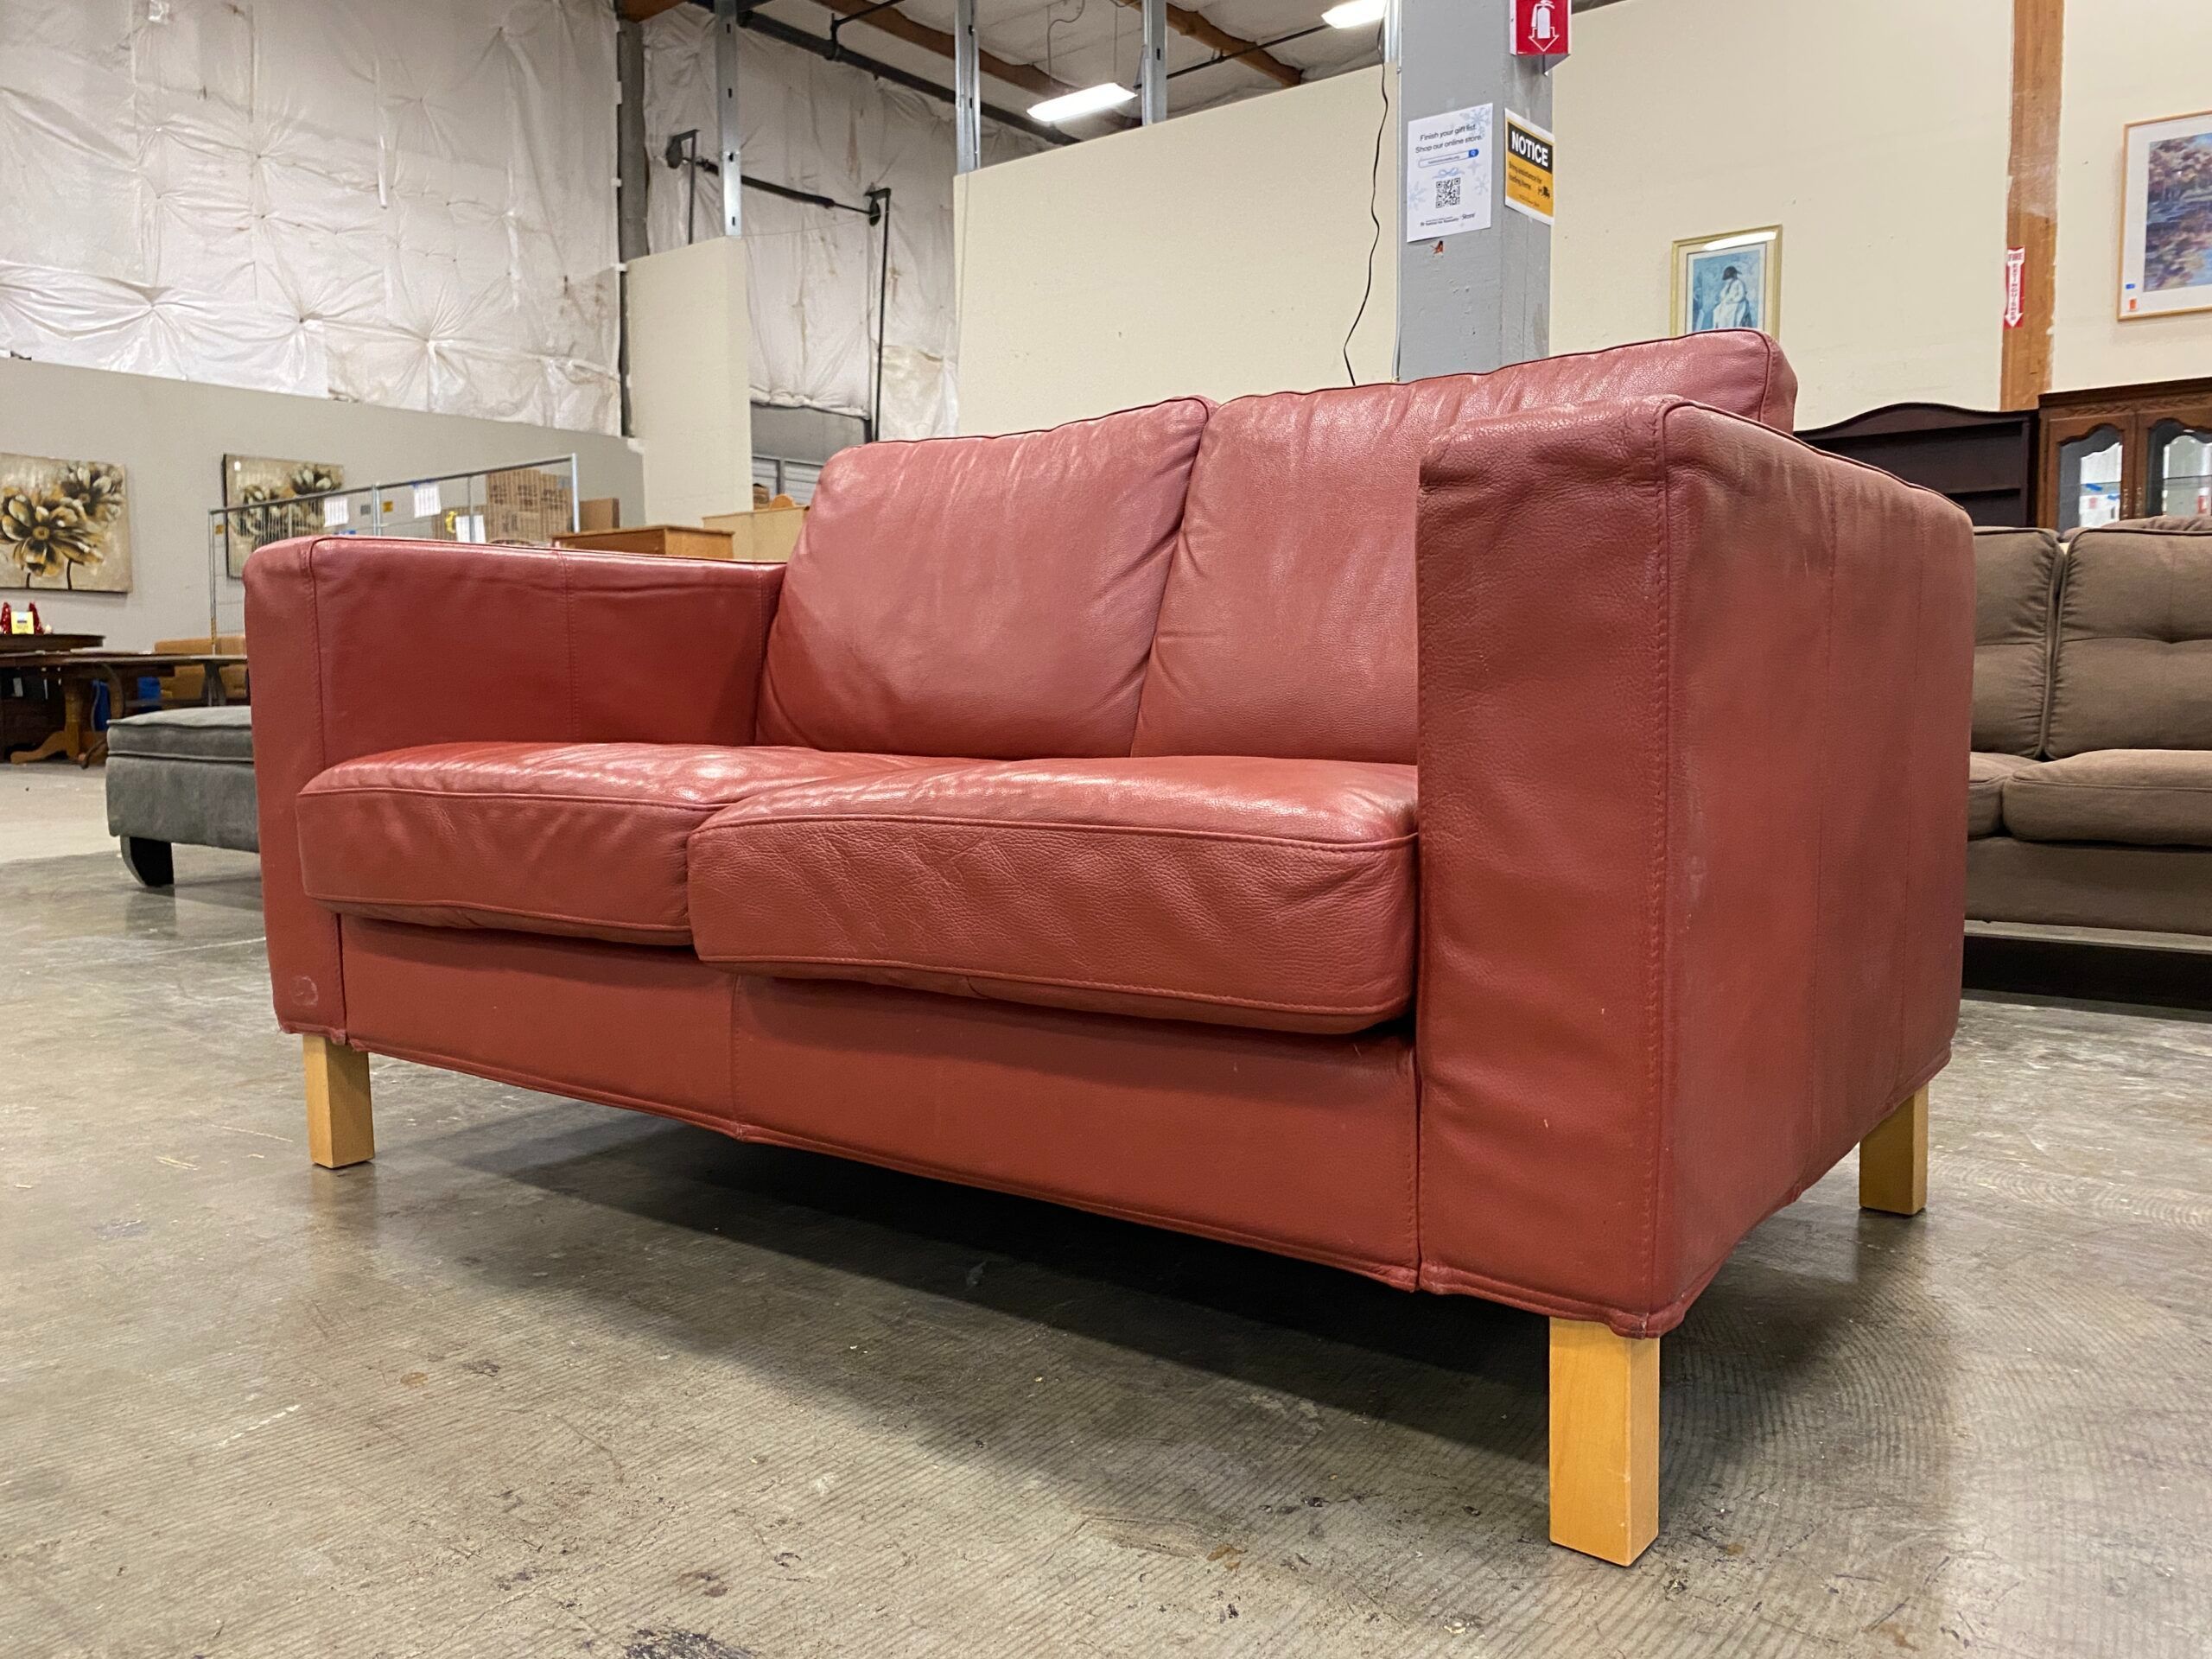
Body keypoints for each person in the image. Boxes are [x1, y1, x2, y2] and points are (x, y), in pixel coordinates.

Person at [1708, 264, 1753, 330]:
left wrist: (1733, 300)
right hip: (1729, 302)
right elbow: (1722, 295)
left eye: (1730, 278)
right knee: (1717, 310)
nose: (1728, 280)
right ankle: (1719, 327)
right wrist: (1727, 287)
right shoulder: (1728, 284)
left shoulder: (1739, 283)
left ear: (1734, 275)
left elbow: (1741, 295)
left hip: (1738, 302)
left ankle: (1729, 328)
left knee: (1728, 314)